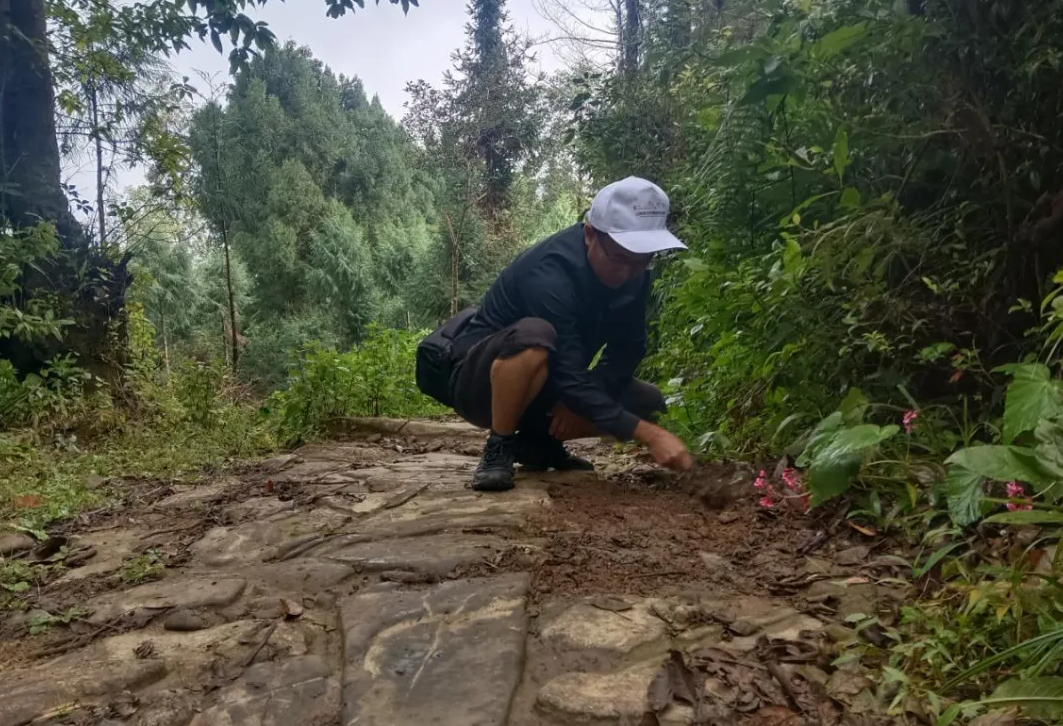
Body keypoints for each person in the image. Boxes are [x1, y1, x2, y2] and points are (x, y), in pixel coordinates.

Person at [417, 176, 695, 491]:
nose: (628, 272)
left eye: (642, 260)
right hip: (479, 386)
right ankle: (499, 446)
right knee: (534, 336)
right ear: (590, 235)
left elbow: (628, 348)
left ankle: (537, 444)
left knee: (646, 401)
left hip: (550, 386)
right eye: (620, 258)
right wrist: (651, 435)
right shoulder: (548, 273)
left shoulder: (634, 275)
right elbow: (568, 375)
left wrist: (585, 398)